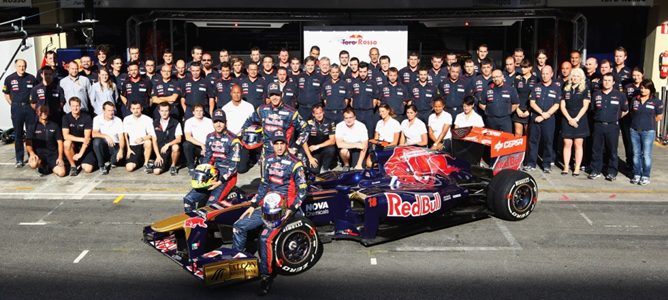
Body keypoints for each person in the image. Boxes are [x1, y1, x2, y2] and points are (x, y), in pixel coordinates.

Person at [233, 129, 307, 296]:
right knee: (239, 226)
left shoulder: (296, 163)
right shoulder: (268, 160)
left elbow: (303, 190)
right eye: (277, 143)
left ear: (286, 145)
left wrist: (291, 210)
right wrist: (253, 205)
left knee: (265, 238)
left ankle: (266, 276)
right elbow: (264, 185)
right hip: (267, 206)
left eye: (282, 143)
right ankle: (237, 264)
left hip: (285, 209)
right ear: (272, 145)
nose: (279, 147)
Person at [183, 109, 241, 212]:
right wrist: (201, 175)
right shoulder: (209, 137)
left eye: (221, 121)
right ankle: (192, 224)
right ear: (212, 123)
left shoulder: (234, 140)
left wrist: (219, 182)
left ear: (226, 123)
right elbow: (207, 159)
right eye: (216, 121)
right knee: (188, 200)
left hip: (227, 176)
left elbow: (234, 167)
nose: (218, 124)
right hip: (211, 173)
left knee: (210, 207)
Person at [241, 82, 308, 159]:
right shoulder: (262, 110)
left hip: (284, 153)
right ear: (269, 96)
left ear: (282, 95)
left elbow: (305, 129)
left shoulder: (291, 112)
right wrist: (244, 134)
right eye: (272, 95)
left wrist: (296, 146)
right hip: (267, 152)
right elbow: (248, 121)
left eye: (277, 94)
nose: (274, 97)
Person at [588, 73, 629, 181]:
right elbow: (592, 109)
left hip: (612, 127)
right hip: (598, 125)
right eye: (605, 80)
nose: (606, 82)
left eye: (609, 80)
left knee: (612, 150)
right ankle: (596, 170)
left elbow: (626, 110)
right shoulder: (596, 94)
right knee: (596, 149)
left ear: (613, 82)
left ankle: (612, 172)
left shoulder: (620, 95)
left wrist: (616, 118)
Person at [524, 65, 561, 173]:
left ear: (552, 74)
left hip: (549, 119)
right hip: (536, 117)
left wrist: (546, 115)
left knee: (548, 142)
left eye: (547, 73)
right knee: (533, 141)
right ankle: (531, 163)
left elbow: (557, 105)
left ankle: (546, 164)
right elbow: (532, 102)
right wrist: (541, 113)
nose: (544, 76)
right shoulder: (536, 87)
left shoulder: (556, 88)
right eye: (543, 73)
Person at [3, 59, 37, 167]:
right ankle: (19, 159)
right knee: (18, 134)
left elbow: (35, 93)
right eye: (19, 66)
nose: (21, 68)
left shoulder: (31, 78)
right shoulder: (9, 79)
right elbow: (6, 94)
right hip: (17, 108)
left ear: (26, 66)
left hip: (29, 108)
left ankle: (32, 156)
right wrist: (13, 104)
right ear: (15, 66)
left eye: (23, 66)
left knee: (31, 133)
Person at [628, 79, 663, 185]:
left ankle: (646, 175)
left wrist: (648, 123)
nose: (643, 90)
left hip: (648, 132)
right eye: (642, 88)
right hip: (634, 131)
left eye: (646, 88)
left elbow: (659, 116)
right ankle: (637, 174)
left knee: (646, 155)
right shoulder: (635, 99)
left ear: (650, 89)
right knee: (636, 154)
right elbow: (631, 113)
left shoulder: (656, 101)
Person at [560, 68, 591, 176]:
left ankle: (577, 167)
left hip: (580, 119)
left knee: (578, 144)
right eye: (573, 76)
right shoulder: (566, 88)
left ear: (581, 78)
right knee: (567, 143)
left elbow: (585, 106)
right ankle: (565, 166)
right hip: (567, 118)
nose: (575, 78)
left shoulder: (585, 89)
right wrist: (569, 119)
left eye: (577, 76)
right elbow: (562, 106)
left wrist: (576, 119)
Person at [222, 84, 255, 173]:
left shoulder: (249, 107)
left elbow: (253, 124)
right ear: (231, 93)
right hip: (230, 138)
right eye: (234, 93)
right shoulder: (225, 108)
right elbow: (223, 126)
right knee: (225, 166)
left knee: (241, 169)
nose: (236, 95)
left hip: (244, 138)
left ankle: (249, 158)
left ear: (242, 93)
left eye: (238, 93)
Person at [26, 106, 66, 177]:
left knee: (61, 173)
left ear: (48, 112)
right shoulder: (32, 126)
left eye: (45, 111)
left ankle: (51, 167)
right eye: (41, 111)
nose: (43, 113)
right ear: (37, 112)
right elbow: (28, 143)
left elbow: (60, 143)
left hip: (52, 155)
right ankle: (42, 166)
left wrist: (60, 157)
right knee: (33, 164)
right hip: (39, 155)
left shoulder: (54, 125)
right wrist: (32, 153)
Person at [62, 97, 96, 175]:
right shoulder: (66, 117)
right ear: (70, 106)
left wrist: (80, 154)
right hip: (73, 146)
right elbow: (65, 136)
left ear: (80, 106)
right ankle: (73, 166)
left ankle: (81, 162)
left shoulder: (87, 117)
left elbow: (87, 139)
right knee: (67, 143)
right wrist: (81, 139)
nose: (75, 108)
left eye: (77, 106)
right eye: (73, 106)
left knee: (88, 169)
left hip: (85, 146)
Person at [302, 104, 337, 174]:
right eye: (316, 113)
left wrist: (318, 146)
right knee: (314, 171)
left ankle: (325, 168)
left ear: (323, 112)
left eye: (320, 113)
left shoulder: (330, 122)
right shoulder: (308, 123)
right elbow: (303, 141)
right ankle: (310, 162)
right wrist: (310, 158)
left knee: (331, 149)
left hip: (324, 148)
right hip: (313, 151)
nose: (319, 115)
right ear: (313, 114)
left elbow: (333, 141)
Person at [621, 67, 644, 171]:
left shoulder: (646, 86)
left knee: (640, 141)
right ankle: (629, 162)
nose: (636, 77)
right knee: (628, 141)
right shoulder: (628, 87)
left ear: (642, 75)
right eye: (634, 75)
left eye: (638, 75)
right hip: (627, 118)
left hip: (641, 118)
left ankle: (639, 163)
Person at [92, 101, 125, 174]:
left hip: (115, 145)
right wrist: (106, 136)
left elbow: (121, 138)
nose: (111, 112)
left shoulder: (118, 120)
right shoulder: (97, 119)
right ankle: (101, 165)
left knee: (115, 161)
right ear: (103, 110)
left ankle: (110, 161)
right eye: (109, 110)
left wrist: (121, 150)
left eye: (112, 110)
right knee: (96, 142)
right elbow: (94, 134)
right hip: (103, 145)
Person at [123, 101, 156, 173]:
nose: (136, 110)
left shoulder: (148, 119)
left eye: (138, 108)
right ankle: (140, 160)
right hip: (133, 146)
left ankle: (146, 163)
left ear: (141, 108)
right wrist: (128, 149)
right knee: (129, 168)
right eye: (133, 108)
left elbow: (152, 135)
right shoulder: (126, 119)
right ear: (131, 109)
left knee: (148, 142)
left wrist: (142, 138)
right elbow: (125, 135)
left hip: (143, 144)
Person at [349, 62, 380, 138]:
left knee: (369, 135)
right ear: (358, 71)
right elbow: (351, 99)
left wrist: (369, 108)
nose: (362, 74)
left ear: (368, 71)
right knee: (356, 135)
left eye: (364, 72)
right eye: (361, 71)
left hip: (368, 113)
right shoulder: (353, 83)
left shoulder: (373, 83)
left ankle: (369, 150)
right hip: (357, 113)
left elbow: (375, 99)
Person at [152, 102, 182, 176]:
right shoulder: (154, 123)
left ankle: (173, 165)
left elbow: (179, 139)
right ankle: (161, 162)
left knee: (176, 147)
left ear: (169, 111)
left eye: (166, 111)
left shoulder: (176, 122)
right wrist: (158, 156)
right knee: (156, 172)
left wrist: (168, 145)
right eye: (162, 111)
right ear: (159, 111)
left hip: (169, 149)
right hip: (160, 151)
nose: (164, 113)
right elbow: (154, 141)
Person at [183, 104, 214, 174]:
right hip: (195, 146)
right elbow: (188, 137)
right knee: (186, 145)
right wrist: (201, 145)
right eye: (196, 111)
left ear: (203, 112)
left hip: (207, 146)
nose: (199, 113)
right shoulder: (189, 121)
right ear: (193, 112)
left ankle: (200, 160)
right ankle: (191, 167)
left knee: (205, 169)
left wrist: (206, 147)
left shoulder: (209, 121)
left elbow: (212, 136)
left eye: (201, 111)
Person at [513, 59, 537, 136]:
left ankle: (527, 149)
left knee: (528, 134)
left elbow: (536, 97)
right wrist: (517, 109)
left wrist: (529, 111)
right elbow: (514, 95)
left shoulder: (536, 79)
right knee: (518, 133)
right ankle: (518, 149)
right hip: (518, 109)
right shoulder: (517, 79)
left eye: (525, 67)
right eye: (521, 67)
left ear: (530, 68)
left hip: (530, 110)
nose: (522, 69)